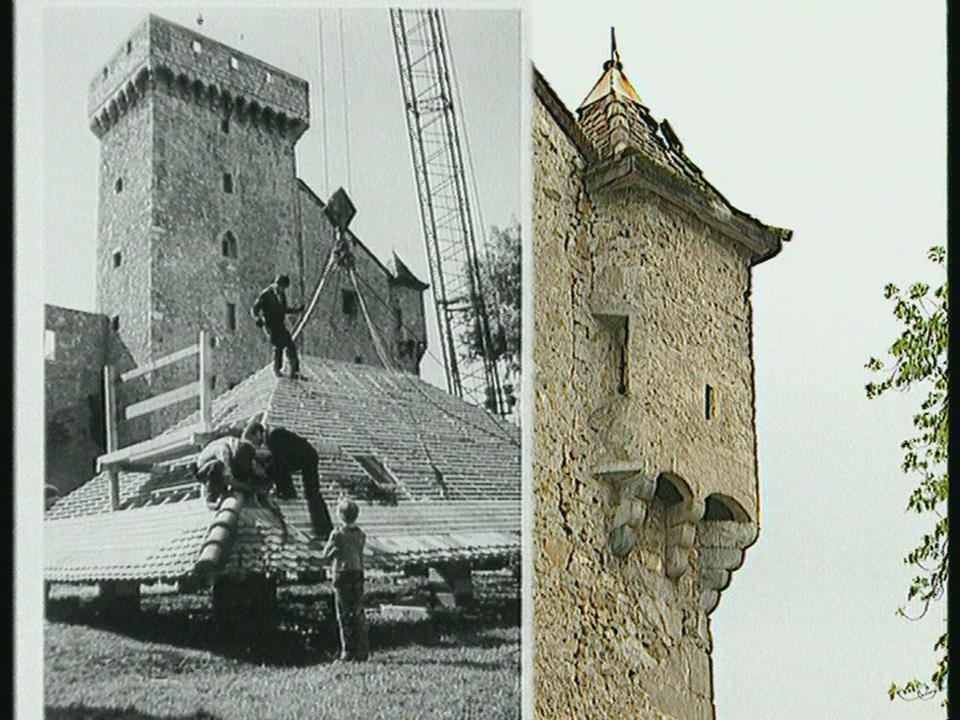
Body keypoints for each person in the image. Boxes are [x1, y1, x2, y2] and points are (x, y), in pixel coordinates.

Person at [321, 499, 369, 662]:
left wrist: (334, 550)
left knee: (344, 614)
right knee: (358, 613)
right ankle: (362, 651)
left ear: (340, 515)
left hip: (342, 573)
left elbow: (325, 555)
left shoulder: (337, 534)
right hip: (358, 572)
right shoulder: (361, 534)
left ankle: (347, 651)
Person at [263, 426, 333, 537]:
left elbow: (279, 467)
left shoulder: (274, 440)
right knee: (313, 494)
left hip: (306, 458)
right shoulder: (277, 438)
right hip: (305, 456)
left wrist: (278, 490)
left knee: (312, 493)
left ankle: (323, 530)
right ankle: (326, 529)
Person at [195, 421, 269, 507]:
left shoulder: (243, 448)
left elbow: (257, 457)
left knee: (251, 477)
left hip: (229, 468)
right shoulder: (224, 449)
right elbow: (228, 478)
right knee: (217, 465)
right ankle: (211, 500)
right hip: (206, 471)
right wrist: (248, 488)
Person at [251, 274, 304, 379]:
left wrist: (297, 310)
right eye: (281, 287)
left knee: (290, 345)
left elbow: (284, 309)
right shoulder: (266, 294)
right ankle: (277, 370)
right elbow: (255, 309)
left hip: (280, 324)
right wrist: (258, 319)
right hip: (271, 325)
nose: (282, 289)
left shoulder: (282, 295)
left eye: (284, 288)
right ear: (276, 284)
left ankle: (295, 372)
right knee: (278, 346)